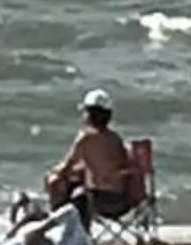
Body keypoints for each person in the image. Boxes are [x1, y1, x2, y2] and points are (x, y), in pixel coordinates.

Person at [45, 90, 142, 218]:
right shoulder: (115, 138)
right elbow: (111, 168)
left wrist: (53, 172)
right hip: (120, 202)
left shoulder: (85, 138)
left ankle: (60, 224)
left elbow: (66, 168)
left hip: (96, 201)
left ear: (89, 115)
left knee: (54, 181)